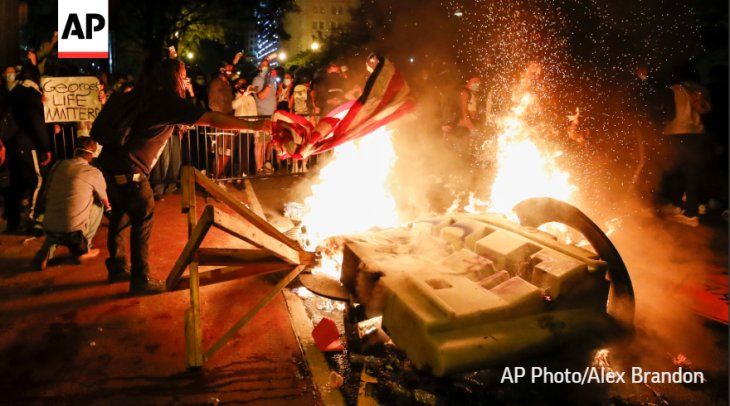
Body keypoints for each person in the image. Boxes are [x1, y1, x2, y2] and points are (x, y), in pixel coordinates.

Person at [96, 58, 266, 294]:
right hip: (131, 171)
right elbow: (213, 119)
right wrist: (256, 127)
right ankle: (140, 279)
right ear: (173, 78)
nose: (185, 80)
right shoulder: (166, 101)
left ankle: (116, 267)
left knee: (121, 215)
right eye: (183, 76)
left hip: (109, 164)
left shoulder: (139, 95)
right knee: (142, 216)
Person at [31, 138, 109, 270]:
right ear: (92, 154)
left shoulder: (57, 165)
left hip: (48, 226)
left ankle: (44, 252)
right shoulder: (93, 172)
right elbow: (105, 201)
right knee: (98, 205)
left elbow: (45, 191)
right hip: (73, 233)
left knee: (60, 211)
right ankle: (83, 249)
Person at [2, 61, 52, 234]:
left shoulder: (14, 92)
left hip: (13, 145)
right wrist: (46, 147)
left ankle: (13, 222)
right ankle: (33, 220)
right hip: (29, 144)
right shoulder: (32, 95)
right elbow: (37, 123)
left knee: (16, 183)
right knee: (38, 180)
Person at [658, 80, 711, 226]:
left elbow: (668, 113)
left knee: (673, 170)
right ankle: (690, 212)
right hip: (697, 133)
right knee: (692, 173)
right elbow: (706, 110)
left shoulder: (673, 89)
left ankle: (676, 206)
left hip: (677, 132)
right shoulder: (699, 89)